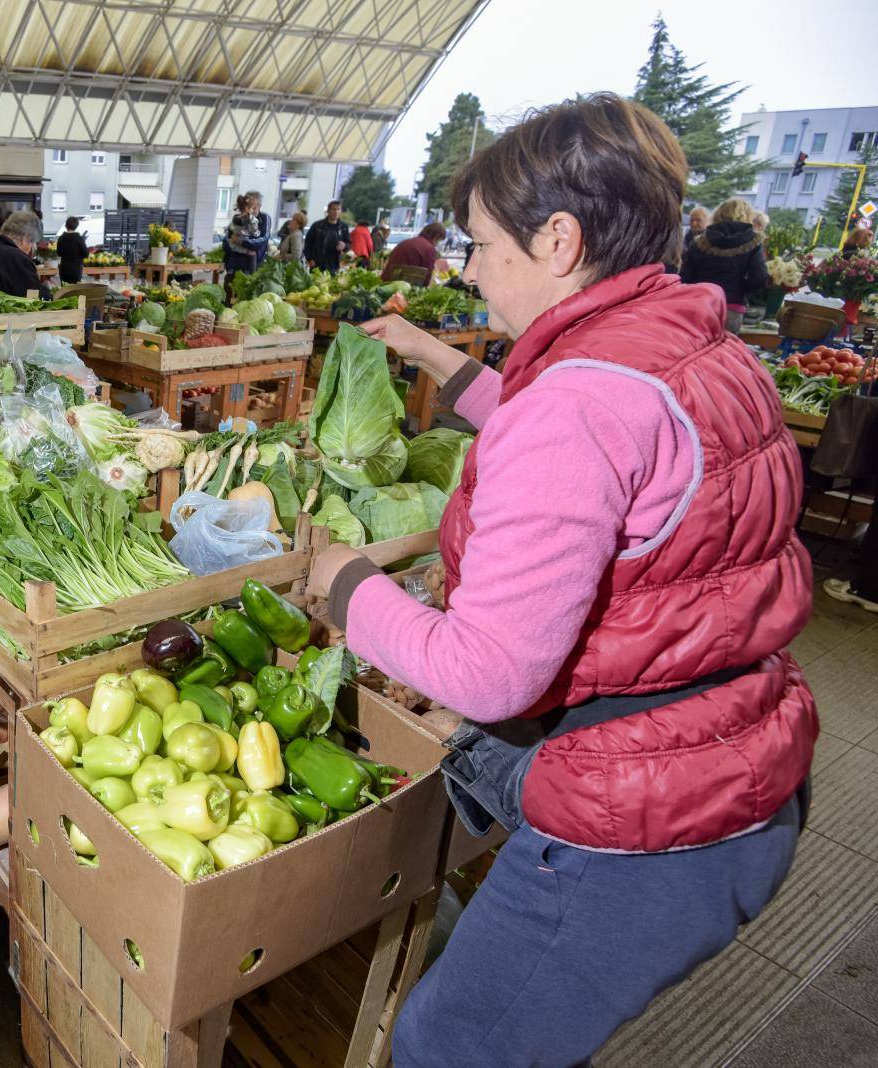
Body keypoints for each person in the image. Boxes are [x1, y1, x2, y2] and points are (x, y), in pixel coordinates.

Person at [309, 92, 813, 1068]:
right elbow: (599, 445)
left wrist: (346, 590)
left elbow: (491, 673)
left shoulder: (579, 402)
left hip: (643, 815)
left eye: (479, 244)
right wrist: (433, 359)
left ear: (557, 239)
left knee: (446, 1048)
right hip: (734, 757)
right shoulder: (692, 350)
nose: (465, 268)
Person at [679, 197, 768, 334]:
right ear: (747, 216)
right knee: (724, 353)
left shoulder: (700, 242)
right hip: (731, 307)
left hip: (700, 305)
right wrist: (741, 290)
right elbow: (759, 277)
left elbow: (685, 277)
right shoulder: (754, 242)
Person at [223, 193, 263, 275]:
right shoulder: (252, 220)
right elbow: (256, 234)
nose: (254, 210)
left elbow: (229, 232)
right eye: (253, 208)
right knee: (253, 254)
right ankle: (253, 275)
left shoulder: (236, 218)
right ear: (247, 208)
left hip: (234, 248)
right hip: (242, 252)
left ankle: (228, 267)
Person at [303, 200, 349, 272]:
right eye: (333, 209)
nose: (336, 212)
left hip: (334, 266)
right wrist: (310, 259)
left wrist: (345, 245)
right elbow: (307, 243)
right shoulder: (317, 226)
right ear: (328, 211)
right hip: (317, 264)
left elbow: (349, 244)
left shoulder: (344, 227)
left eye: (338, 209)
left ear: (341, 211)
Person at [56, 216, 87, 285]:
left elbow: (59, 253)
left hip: (64, 268)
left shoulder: (61, 238)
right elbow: (86, 254)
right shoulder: (79, 239)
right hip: (76, 269)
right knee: (75, 291)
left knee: (64, 291)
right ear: (76, 226)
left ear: (66, 225)